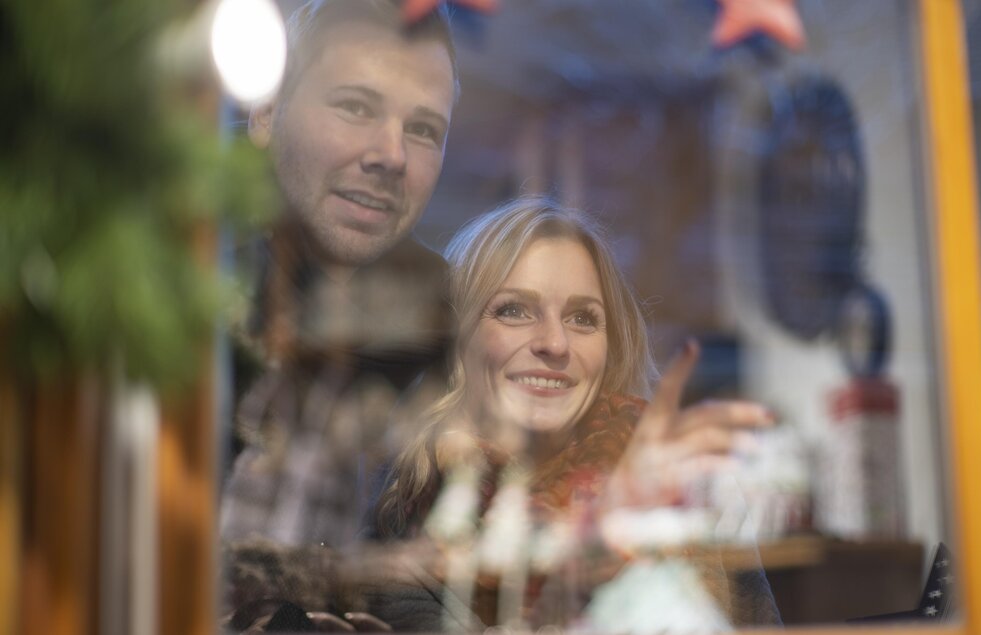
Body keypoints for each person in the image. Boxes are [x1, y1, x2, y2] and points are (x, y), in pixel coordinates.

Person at [365, 196, 782, 630]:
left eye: (583, 318)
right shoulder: (407, 492)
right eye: (513, 310)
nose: (555, 343)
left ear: (611, 345)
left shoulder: (686, 486)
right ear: (455, 339)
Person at [218, 0, 460, 628]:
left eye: (424, 129)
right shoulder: (175, 287)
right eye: (356, 106)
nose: (392, 155)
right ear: (266, 112)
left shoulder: (444, 323)